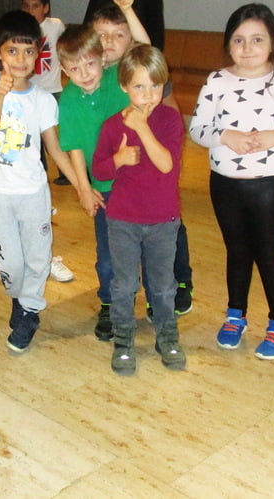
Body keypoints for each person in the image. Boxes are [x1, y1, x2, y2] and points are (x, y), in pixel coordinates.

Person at [188, 3, 274, 361]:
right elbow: (197, 128)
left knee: (269, 254)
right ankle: (235, 315)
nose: (247, 48)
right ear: (228, 44)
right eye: (238, 40)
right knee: (237, 252)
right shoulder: (217, 81)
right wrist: (224, 136)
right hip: (225, 183)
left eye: (257, 39)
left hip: (270, 185)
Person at [0, 11, 81, 354]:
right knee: (11, 264)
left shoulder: (43, 99)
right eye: (12, 51)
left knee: (37, 257)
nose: (20, 59)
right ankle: (18, 297)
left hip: (32, 192)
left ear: (38, 53)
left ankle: (30, 309)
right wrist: (1, 94)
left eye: (29, 51)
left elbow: (54, 149)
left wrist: (82, 187)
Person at [90, 0, 195, 316]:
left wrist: (127, 8)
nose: (109, 42)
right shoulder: (93, 75)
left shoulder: (138, 67)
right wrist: (85, 181)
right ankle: (117, 301)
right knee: (118, 243)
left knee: (167, 229)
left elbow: (148, 47)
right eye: (101, 36)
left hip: (153, 163)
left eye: (118, 35)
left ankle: (178, 282)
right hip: (119, 171)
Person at [92, 44, 185, 375]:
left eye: (155, 86)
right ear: (123, 86)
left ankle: (167, 336)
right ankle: (123, 340)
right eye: (139, 86)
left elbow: (167, 166)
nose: (148, 95)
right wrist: (118, 159)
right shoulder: (111, 125)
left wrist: (142, 128)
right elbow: (99, 170)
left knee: (162, 284)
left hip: (163, 220)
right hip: (123, 220)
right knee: (124, 284)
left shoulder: (170, 119)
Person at [57, 24, 130, 341]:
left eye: (90, 63)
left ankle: (157, 298)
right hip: (103, 188)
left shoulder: (119, 79)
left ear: (103, 58)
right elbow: (73, 146)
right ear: (64, 70)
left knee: (147, 245)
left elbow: (144, 48)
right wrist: (84, 190)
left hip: (137, 182)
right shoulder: (69, 99)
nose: (84, 74)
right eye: (74, 68)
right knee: (108, 253)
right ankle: (110, 304)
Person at [20, 0, 68, 187]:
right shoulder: (21, 29)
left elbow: (66, 47)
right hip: (30, 90)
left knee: (56, 134)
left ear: (45, 8)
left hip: (53, 89)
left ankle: (67, 171)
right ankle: (39, 170)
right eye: (26, 6)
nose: (30, 11)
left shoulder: (55, 26)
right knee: (33, 132)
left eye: (36, 6)